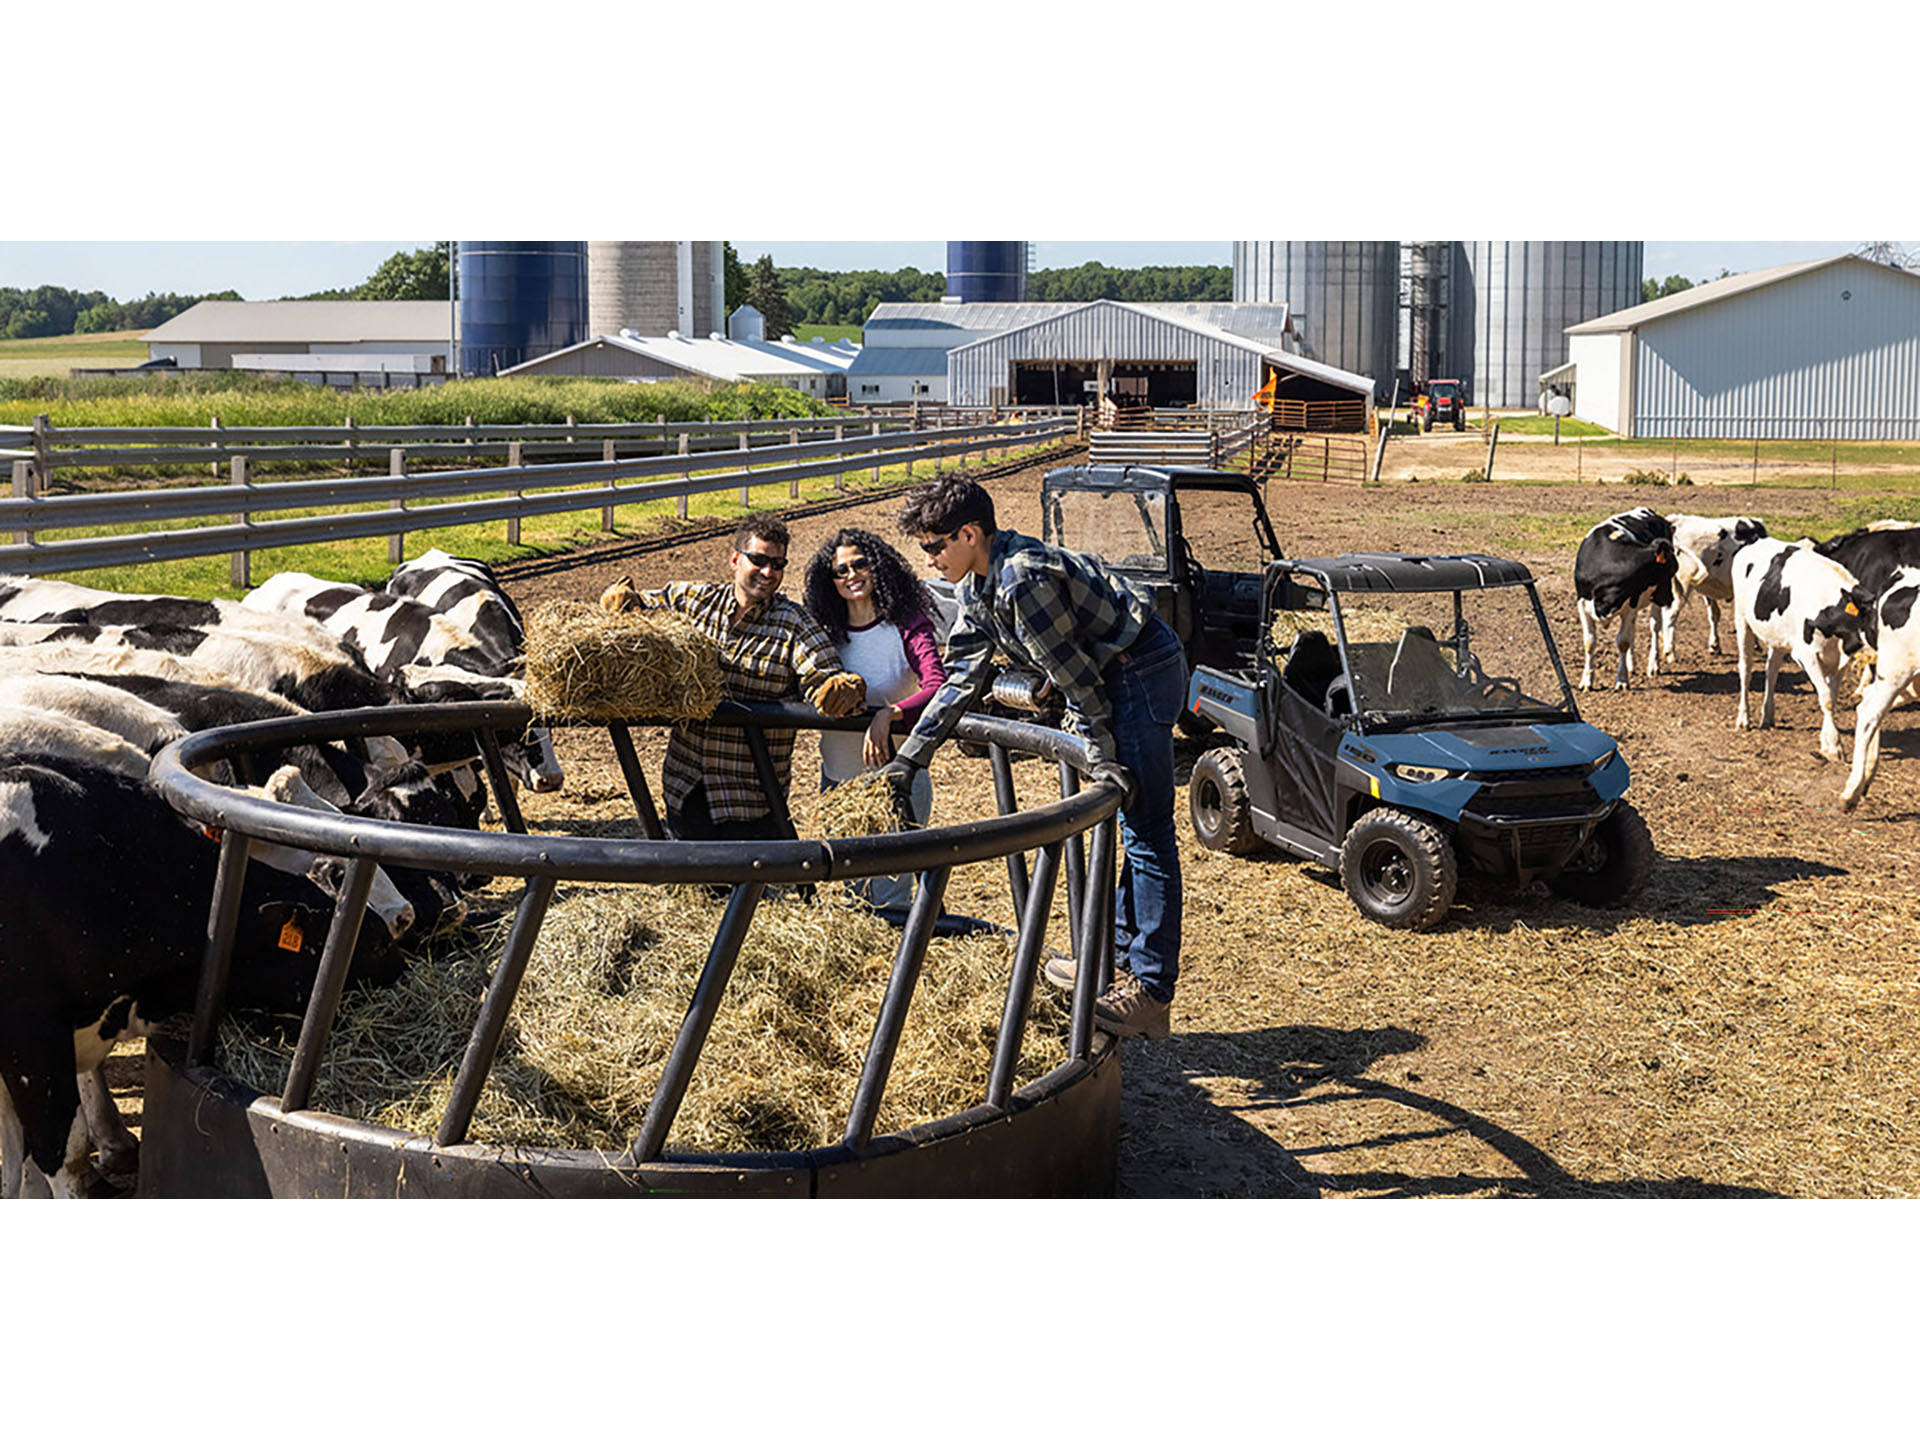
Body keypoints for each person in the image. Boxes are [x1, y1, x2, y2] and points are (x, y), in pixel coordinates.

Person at [878, 475, 1186, 1039]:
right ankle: (1114, 966)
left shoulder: (1022, 579)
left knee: (1146, 828)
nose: (929, 560)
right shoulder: (976, 585)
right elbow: (962, 678)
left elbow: (1077, 678)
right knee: (1126, 821)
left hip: (1139, 668)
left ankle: (1150, 989)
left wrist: (1099, 748)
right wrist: (912, 757)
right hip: (1108, 669)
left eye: (932, 547)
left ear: (969, 534)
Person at [600, 515, 865, 843]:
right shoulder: (694, 601)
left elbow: (820, 674)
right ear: (735, 558)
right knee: (691, 884)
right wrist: (625, 602)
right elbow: (644, 610)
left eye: (778, 564)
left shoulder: (793, 623)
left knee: (745, 890)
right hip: (687, 783)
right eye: (759, 560)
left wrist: (835, 689)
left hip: (750, 796)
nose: (768, 573)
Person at [801, 527, 948, 911]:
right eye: (840, 570)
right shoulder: (822, 633)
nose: (851, 575)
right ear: (829, 581)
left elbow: (937, 683)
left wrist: (892, 712)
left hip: (895, 782)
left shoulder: (906, 623)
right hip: (838, 781)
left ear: (877, 566)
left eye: (859, 564)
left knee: (890, 898)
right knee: (852, 893)